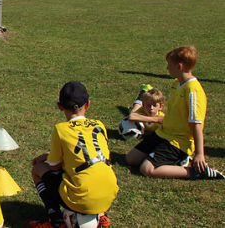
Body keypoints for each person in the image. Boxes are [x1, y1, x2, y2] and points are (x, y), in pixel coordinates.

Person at [126, 46, 224, 180]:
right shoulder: (177, 83)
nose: (167, 68)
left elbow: (196, 125)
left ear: (179, 66)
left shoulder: (193, 91)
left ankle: (195, 171)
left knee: (146, 169)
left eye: (169, 65)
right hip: (163, 133)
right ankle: (174, 161)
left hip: (178, 141)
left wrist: (200, 154)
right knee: (131, 159)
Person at [30, 82, 117, 228]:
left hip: (81, 197)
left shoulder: (61, 129)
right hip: (109, 193)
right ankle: (101, 215)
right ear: (88, 104)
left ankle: (55, 220)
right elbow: (88, 152)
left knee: (38, 169)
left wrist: (47, 158)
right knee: (92, 170)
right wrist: (49, 155)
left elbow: (54, 166)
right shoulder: (99, 125)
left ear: (60, 106)